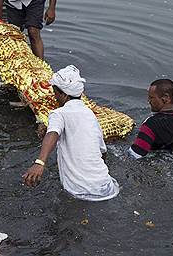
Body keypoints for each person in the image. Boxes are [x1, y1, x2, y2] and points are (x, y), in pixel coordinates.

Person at [23, 66, 120, 201]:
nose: (54, 96)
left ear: (64, 94)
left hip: (78, 191)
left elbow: (53, 133)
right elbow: (102, 152)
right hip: (107, 188)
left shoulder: (59, 114)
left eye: (55, 92)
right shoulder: (89, 114)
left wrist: (40, 162)